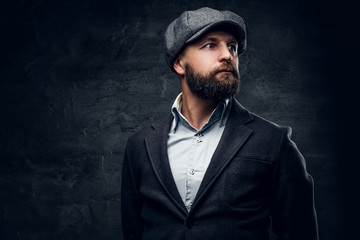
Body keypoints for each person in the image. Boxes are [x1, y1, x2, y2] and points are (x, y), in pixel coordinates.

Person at [121, 7, 318, 240]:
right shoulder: (140, 145)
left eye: (232, 47)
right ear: (179, 64)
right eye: (210, 45)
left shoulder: (274, 142)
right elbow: (133, 232)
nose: (227, 55)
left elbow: (300, 232)